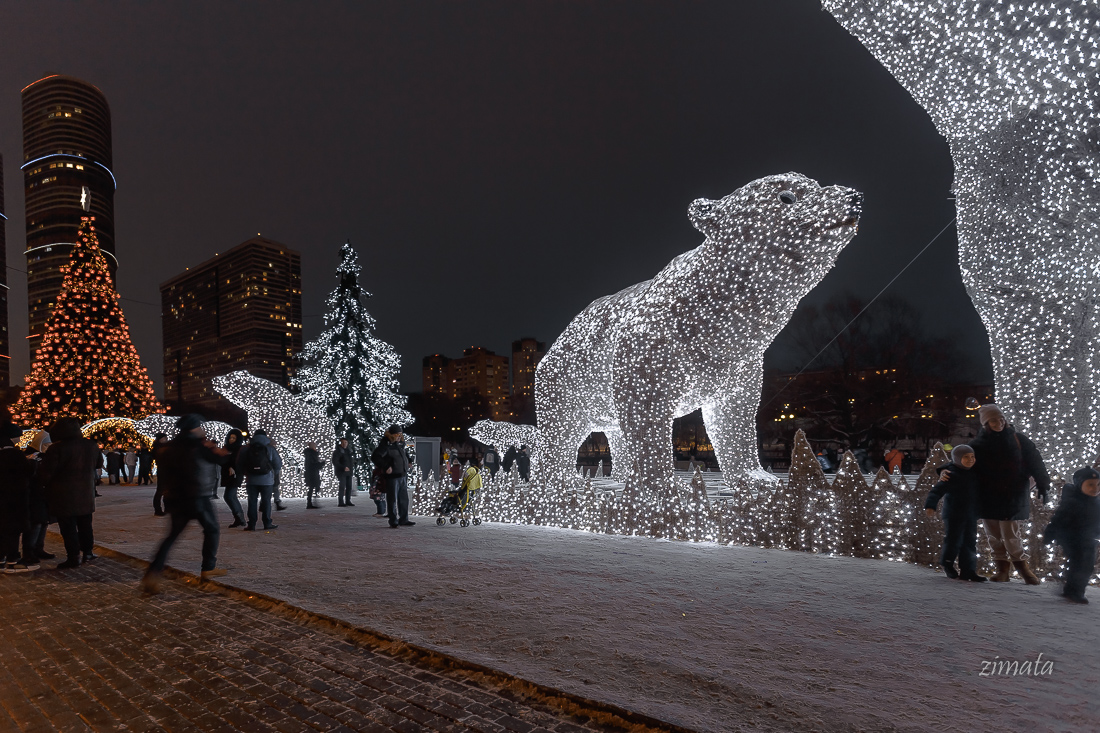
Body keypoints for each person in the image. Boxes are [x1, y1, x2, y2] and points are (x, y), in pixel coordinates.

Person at [940, 404, 1050, 584]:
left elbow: (1035, 461)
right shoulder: (978, 444)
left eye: (1001, 419)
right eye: (993, 420)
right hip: (987, 496)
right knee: (993, 535)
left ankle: (1024, 569)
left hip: (1011, 495)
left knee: (1011, 534)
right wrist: (944, 471)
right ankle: (1002, 570)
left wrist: (1044, 484)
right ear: (986, 423)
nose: (998, 423)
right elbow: (960, 461)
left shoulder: (1018, 440)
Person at [140, 415, 230, 594]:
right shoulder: (197, 445)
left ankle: (153, 572)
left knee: (171, 537)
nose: (202, 429)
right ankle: (208, 567)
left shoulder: (168, 448)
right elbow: (220, 460)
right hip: (197, 496)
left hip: (175, 498)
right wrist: (222, 451)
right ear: (193, 429)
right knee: (212, 529)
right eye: (200, 427)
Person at [41, 417, 103, 569]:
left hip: (63, 495)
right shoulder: (91, 445)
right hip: (85, 493)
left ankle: (73, 556)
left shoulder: (57, 448)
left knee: (68, 528)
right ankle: (88, 552)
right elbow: (98, 464)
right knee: (86, 524)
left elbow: (46, 473)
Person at [925, 445, 986, 582]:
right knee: (954, 541)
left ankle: (968, 570)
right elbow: (936, 491)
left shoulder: (974, 472)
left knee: (970, 543)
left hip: (970, 515)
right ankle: (947, 564)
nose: (970, 460)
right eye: (966, 457)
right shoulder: (951, 474)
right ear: (958, 459)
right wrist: (930, 506)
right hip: (954, 514)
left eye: (972, 457)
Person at [1043, 467, 1100, 604]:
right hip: (1071, 538)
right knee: (1082, 563)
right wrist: (1050, 533)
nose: (1095, 488)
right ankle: (1075, 592)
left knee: (1085, 564)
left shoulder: (1096, 502)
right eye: (1090, 484)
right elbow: (1058, 518)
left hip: (1088, 538)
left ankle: (1071, 589)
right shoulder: (1072, 502)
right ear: (1080, 484)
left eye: (1098, 484)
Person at [1, 422, 39, 572]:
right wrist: (32, 461)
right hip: (15, 497)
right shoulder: (13, 453)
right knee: (13, 528)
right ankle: (12, 561)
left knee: (3, 527)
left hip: (3, 496)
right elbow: (27, 471)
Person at [238, 429, 282, 531]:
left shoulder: (246, 448)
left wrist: (246, 473)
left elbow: (239, 463)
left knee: (252, 501)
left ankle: (252, 524)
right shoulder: (270, 448)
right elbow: (278, 464)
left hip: (251, 480)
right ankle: (267, 523)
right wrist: (272, 474)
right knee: (266, 501)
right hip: (267, 481)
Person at [372, 424, 415, 528]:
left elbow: (404, 454)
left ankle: (404, 519)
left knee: (404, 499)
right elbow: (375, 457)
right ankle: (393, 520)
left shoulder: (400, 444)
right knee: (392, 499)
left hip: (403, 476)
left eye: (400, 434)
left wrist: (409, 461)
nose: (399, 436)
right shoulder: (386, 445)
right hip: (392, 477)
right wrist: (386, 466)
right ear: (392, 434)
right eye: (397, 434)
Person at [221, 429, 246, 527]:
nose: (231, 440)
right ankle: (239, 518)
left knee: (229, 496)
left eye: (234, 438)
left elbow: (239, 462)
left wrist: (232, 467)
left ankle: (240, 518)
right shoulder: (226, 448)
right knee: (231, 496)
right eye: (230, 437)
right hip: (228, 475)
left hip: (235, 475)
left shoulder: (239, 449)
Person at [332, 437, 355, 507]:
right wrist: (343, 467)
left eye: (346, 442)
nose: (345, 444)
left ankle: (348, 501)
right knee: (342, 487)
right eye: (343, 442)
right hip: (341, 472)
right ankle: (341, 502)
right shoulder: (337, 452)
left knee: (349, 487)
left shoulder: (348, 451)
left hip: (349, 472)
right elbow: (335, 462)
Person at [151, 433, 169, 516]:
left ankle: (168, 508)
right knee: (160, 490)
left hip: (166, 469)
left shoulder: (165, 447)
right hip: (163, 470)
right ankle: (158, 509)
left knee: (167, 490)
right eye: (164, 438)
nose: (166, 439)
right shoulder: (158, 448)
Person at [304, 441, 324, 509]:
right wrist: (320, 464)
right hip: (312, 473)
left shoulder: (310, 454)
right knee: (313, 487)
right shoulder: (311, 454)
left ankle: (311, 502)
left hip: (312, 473)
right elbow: (312, 464)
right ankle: (310, 502)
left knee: (313, 487)